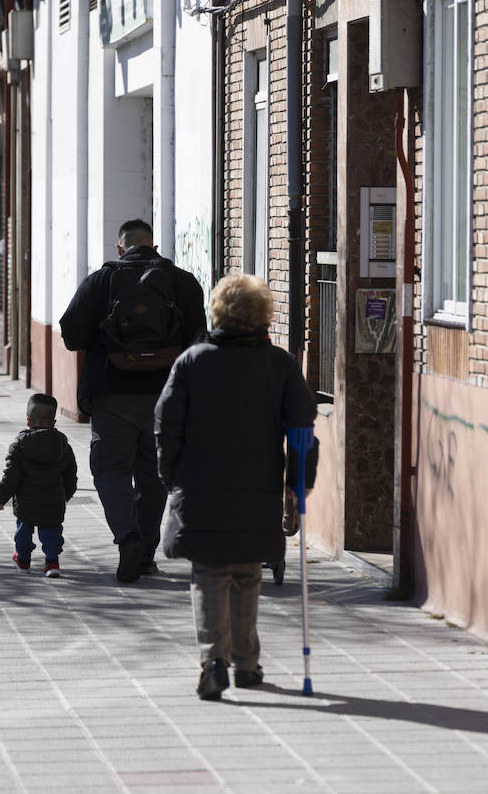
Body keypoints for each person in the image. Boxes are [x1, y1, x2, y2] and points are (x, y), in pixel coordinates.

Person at [154, 274, 318, 700]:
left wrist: (170, 477)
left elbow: (165, 426)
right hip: (257, 487)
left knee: (208, 573)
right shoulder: (279, 364)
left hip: (200, 485)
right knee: (247, 573)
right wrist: (296, 487)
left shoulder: (191, 361)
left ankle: (214, 661)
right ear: (262, 316)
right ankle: (246, 665)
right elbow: (302, 428)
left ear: (218, 313)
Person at [59, 218, 206, 583]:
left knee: (110, 470)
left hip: (112, 394)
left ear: (120, 248)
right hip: (164, 396)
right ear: (154, 248)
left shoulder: (102, 280)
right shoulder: (182, 282)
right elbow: (198, 340)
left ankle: (127, 538)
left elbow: (71, 334)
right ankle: (145, 554)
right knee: (153, 476)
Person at [0, 393, 78, 578]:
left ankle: (23, 560)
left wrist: (0, 498)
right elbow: (71, 474)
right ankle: (52, 561)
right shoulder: (64, 446)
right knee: (52, 530)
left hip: (26, 502)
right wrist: (68, 494)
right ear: (54, 423)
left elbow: (11, 475)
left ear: (28, 421)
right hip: (54, 500)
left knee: (24, 530)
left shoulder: (19, 445)